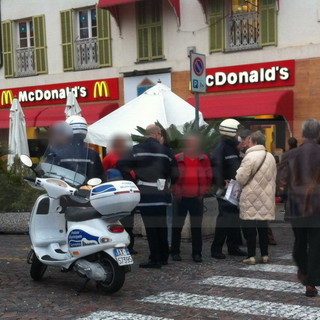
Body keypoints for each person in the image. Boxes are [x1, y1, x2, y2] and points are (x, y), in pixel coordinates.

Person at [117, 124, 179, 269]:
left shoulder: (137, 150)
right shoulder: (167, 151)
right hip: (162, 194)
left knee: (151, 228)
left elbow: (121, 164)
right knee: (162, 226)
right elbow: (176, 173)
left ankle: (155, 259)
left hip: (145, 193)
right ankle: (163, 257)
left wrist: (133, 181)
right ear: (157, 133)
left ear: (147, 134)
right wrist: (169, 184)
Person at [278, 119, 320, 297]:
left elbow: (280, 182)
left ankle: (303, 271)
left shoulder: (291, 155)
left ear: (302, 134)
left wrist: (287, 193)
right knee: (316, 245)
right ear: (318, 135)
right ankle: (310, 283)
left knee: (300, 243)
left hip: (297, 208)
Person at [236, 131, 277, 265]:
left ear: (254, 142)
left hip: (251, 197)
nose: (246, 142)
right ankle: (265, 255)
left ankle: (251, 256)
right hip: (266, 197)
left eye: (248, 140)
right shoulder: (270, 156)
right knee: (263, 228)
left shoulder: (249, 157)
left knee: (250, 228)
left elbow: (241, 178)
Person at [171, 134, 212, 263]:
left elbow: (208, 175)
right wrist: (174, 190)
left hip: (196, 198)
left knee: (196, 227)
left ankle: (197, 253)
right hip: (180, 198)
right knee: (177, 227)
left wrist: (203, 191)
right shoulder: (177, 159)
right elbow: (172, 176)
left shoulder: (203, 159)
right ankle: (175, 252)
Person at [210, 119, 247, 259]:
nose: (238, 133)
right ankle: (216, 249)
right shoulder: (222, 147)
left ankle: (233, 247)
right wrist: (221, 184)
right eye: (237, 130)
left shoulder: (232, 146)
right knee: (224, 220)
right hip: (226, 190)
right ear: (230, 131)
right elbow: (216, 168)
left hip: (235, 188)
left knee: (234, 219)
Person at [103, 134, 137, 255]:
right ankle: (120, 245)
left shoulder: (130, 157)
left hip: (128, 193)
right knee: (119, 221)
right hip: (116, 194)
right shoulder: (109, 158)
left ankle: (129, 245)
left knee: (128, 221)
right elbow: (103, 174)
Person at [61, 115, 104, 181]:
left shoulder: (59, 154)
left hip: (67, 189)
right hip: (88, 189)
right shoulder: (93, 154)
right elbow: (100, 178)